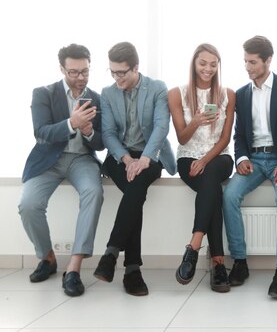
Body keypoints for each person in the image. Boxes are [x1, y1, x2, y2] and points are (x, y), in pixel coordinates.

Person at [222, 36, 277, 300]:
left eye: (253, 62)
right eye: (245, 61)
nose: (247, 67)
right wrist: (241, 158)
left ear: (268, 60)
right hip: (254, 161)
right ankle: (239, 262)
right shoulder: (242, 94)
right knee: (229, 196)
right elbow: (240, 136)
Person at [18, 44, 104, 297]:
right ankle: (47, 257)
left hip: (82, 160)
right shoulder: (43, 93)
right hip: (49, 161)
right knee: (29, 204)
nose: (80, 78)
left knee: (94, 193)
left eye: (85, 72)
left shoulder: (97, 98)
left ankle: (74, 268)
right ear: (62, 69)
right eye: (74, 72)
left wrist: (88, 131)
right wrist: (71, 123)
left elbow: (101, 143)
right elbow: (41, 133)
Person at [94, 41, 176, 296]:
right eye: (112, 72)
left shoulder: (157, 89)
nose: (117, 78)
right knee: (135, 191)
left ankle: (112, 254)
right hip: (120, 157)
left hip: (151, 155)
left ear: (135, 67)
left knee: (136, 186)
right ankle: (131, 270)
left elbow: (162, 127)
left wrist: (145, 159)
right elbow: (107, 133)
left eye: (122, 72)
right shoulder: (107, 94)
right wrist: (127, 159)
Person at [169, 44, 235, 293]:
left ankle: (194, 246)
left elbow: (225, 139)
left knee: (212, 175)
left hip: (218, 157)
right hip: (188, 157)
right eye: (203, 63)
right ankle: (218, 262)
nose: (208, 68)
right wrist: (196, 121)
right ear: (194, 64)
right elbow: (182, 139)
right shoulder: (177, 94)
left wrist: (206, 160)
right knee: (213, 191)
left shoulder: (228, 94)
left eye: (213, 64)